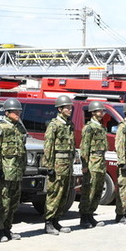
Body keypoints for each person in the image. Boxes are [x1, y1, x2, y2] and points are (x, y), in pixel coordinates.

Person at [0, 98, 27, 242]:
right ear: (7, 112)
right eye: (15, 111)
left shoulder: (19, 128)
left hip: (16, 173)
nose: (18, 114)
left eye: (19, 111)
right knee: (1, 203)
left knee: (13, 202)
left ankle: (7, 228)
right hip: (4, 173)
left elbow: (22, 150)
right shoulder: (0, 129)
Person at [42, 95, 75, 234]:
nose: (70, 109)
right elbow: (48, 146)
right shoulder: (54, 125)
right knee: (54, 193)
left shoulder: (69, 125)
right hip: (57, 164)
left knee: (64, 194)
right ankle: (49, 222)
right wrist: (49, 166)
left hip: (67, 164)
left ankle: (56, 220)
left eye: (70, 107)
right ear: (60, 109)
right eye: (67, 107)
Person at [78, 101, 108, 228]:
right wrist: (84, 165)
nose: (102, 113)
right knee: (89, 190)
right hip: (92, 163)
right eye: (99, 111)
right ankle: (84, 217)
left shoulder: (101, 127)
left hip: (100, 162)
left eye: (102, 111)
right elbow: (84, 148)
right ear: (93, 112)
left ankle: (91, 214)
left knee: (97, 190)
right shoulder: (89, 128)